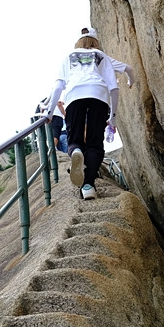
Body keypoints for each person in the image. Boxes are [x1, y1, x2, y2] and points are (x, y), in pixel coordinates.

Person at [44, 27, 130, 200]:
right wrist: (113, 117)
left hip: (75, 97)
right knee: (95, 144)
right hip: (99, 97)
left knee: (74, 139)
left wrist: (49, 112)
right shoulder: (101, 55)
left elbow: (58, 86)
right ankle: (89, 185)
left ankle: (76, 151)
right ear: (96, 41)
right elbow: (113, 87)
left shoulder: (68, 57)